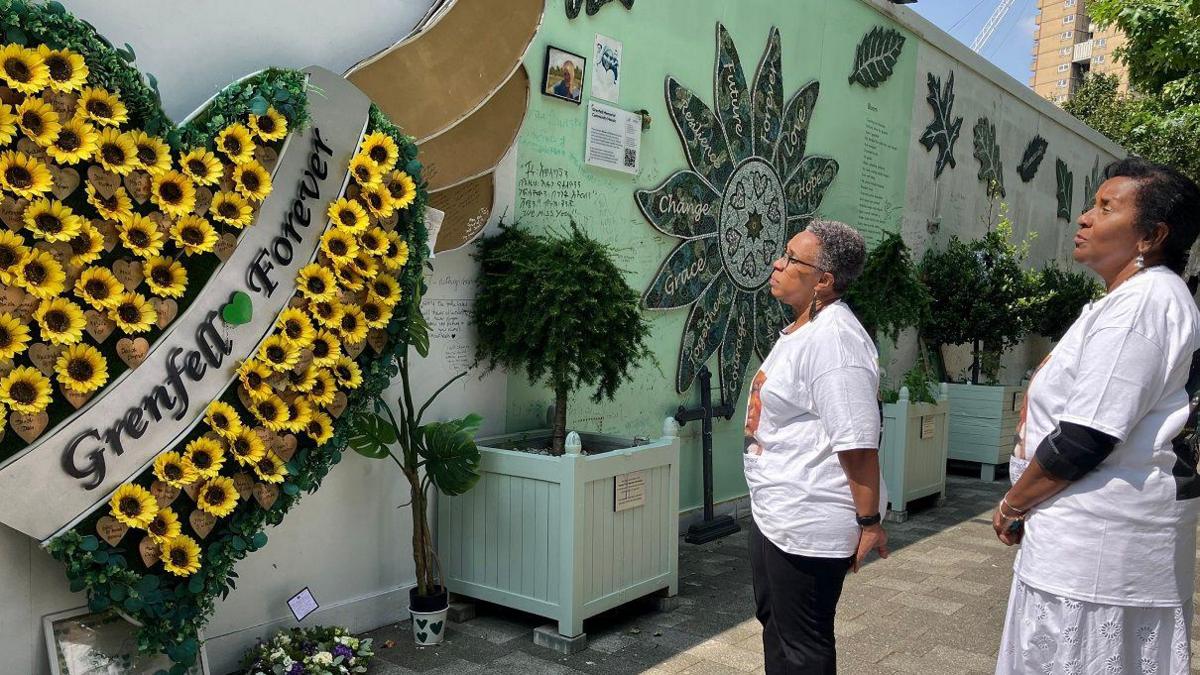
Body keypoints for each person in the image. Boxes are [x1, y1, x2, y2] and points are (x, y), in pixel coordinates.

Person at [993, 157, 1200, 674]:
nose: (1085, 217)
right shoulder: (1132, 299)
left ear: (1151, 235)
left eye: (1106, 207)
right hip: (1093, 546)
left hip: (1098, 552)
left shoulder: (1143, 305)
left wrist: (1013, 504)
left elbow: (1085, 436)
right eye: (1091, 204)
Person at [744, 219, 889, 674]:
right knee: (779, 629)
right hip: (779, 511)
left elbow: (858, 442)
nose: (778, 263)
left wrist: (869, 523)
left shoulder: (836, 341)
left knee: (802, 647)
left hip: (809, 519)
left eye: (791, 258)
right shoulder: (808, 328)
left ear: (823, 280)